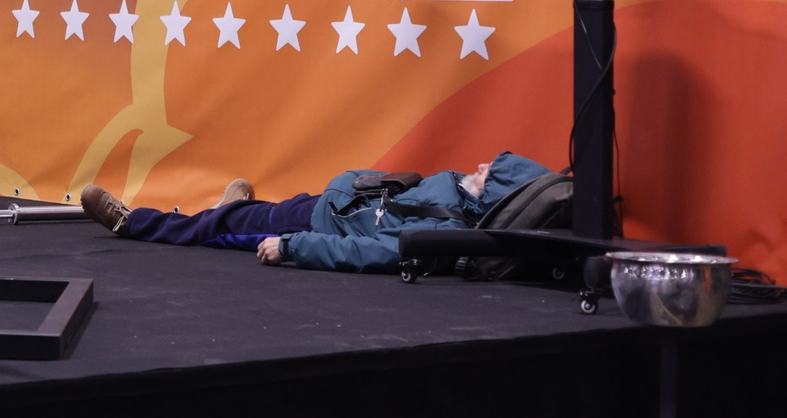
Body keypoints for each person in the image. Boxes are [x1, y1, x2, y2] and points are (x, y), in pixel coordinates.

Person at [79, 152, 553, 273]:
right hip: (332, 204)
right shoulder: (458, 194)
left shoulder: (443, 231)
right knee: (245, 218)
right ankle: (235, 210)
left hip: (316, 225)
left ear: (495, 193)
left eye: (491, 172)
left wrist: (292, 247)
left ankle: (132, 222)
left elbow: (371, 252)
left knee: (216, 228)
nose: (482, 165)